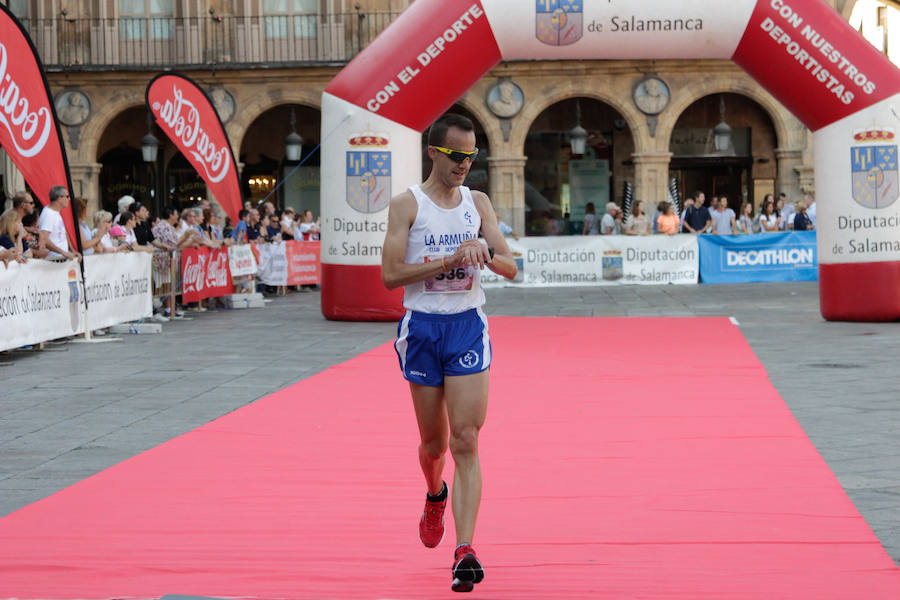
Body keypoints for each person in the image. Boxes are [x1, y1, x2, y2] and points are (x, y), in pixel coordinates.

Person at [381, 113, 517, 593]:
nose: (464, 164)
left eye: (471, 156)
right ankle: (434, 493)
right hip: (422, 329)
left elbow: (511, 267)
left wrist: (483, 249)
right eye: (456, 155)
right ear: (434, 153)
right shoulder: (407, 205)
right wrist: (448, 259)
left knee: (466, 440)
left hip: (466, 327)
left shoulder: (477, 203)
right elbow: (391, 275)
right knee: (434, 446)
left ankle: (465, 551)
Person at [38, 186, 80, 261]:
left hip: (60, 258)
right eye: (67, 196)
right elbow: (44, 239)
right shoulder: (49, 214)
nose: (69, 199)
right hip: (54, 260)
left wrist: (72, 250)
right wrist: (63, 252)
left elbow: (64, 233)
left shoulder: (55, 212)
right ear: (59, 198)